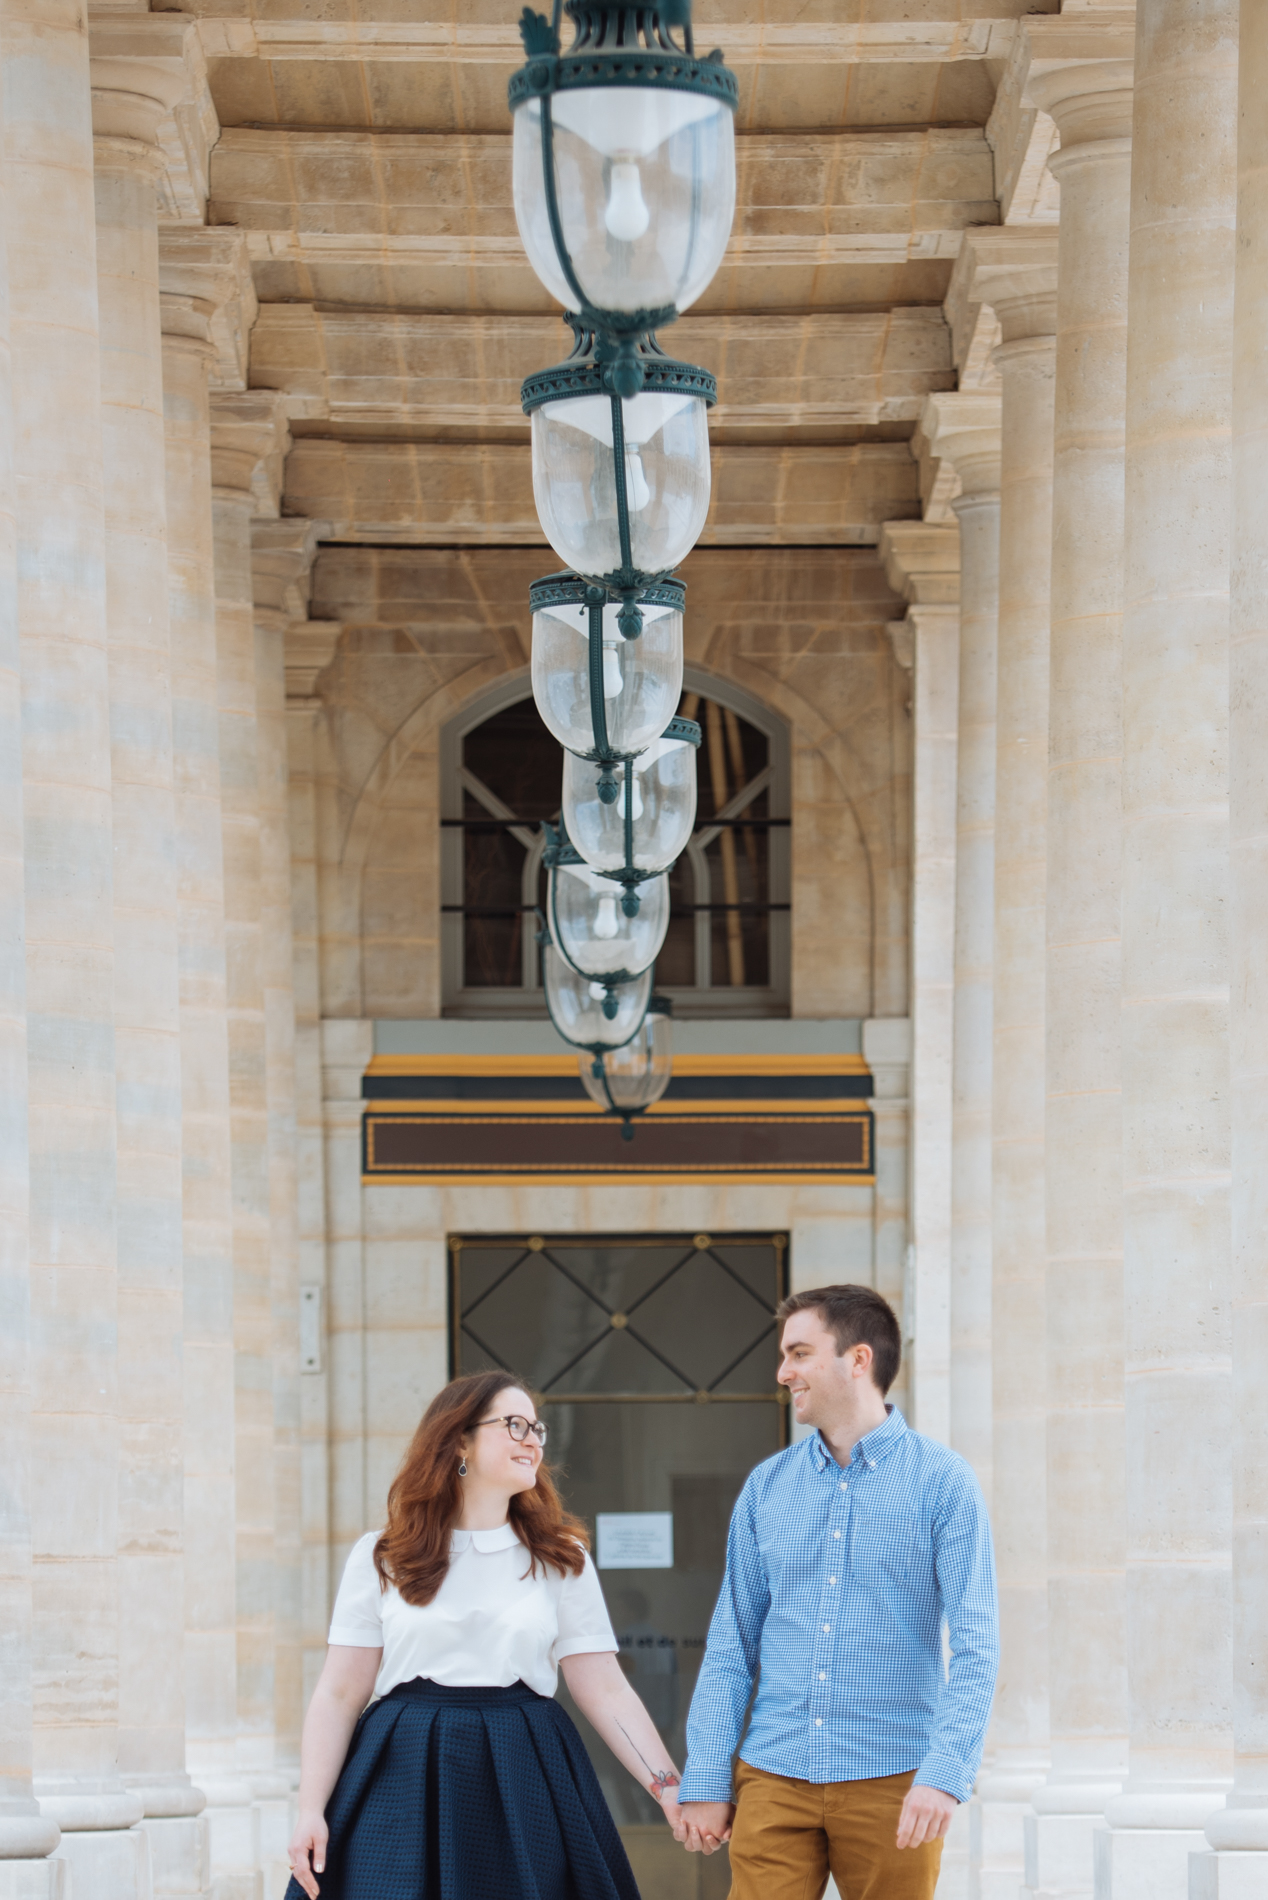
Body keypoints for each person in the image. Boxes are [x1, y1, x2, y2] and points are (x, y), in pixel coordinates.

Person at [286, 1369, 684, 1900]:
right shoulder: (382, 1555)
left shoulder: (561, 1557)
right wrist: (310, 1810)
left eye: (536, 1429)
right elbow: (338, 1693)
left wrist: (668, 1788)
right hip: (402, 1768)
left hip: (525, 1764)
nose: (531, 1440)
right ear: (458, 1441)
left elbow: (606, 1689)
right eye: (514, 1424)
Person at [663, 1284, 998, 1900]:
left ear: (858, 1359)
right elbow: (732, 1644)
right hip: (774, 1774)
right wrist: (708, 1777)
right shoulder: (767, 1488)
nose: (782, 1371)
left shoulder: (943, 1483)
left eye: (798, 1353)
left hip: (895, 1781)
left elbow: (977, 1645)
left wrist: (946, 1774)